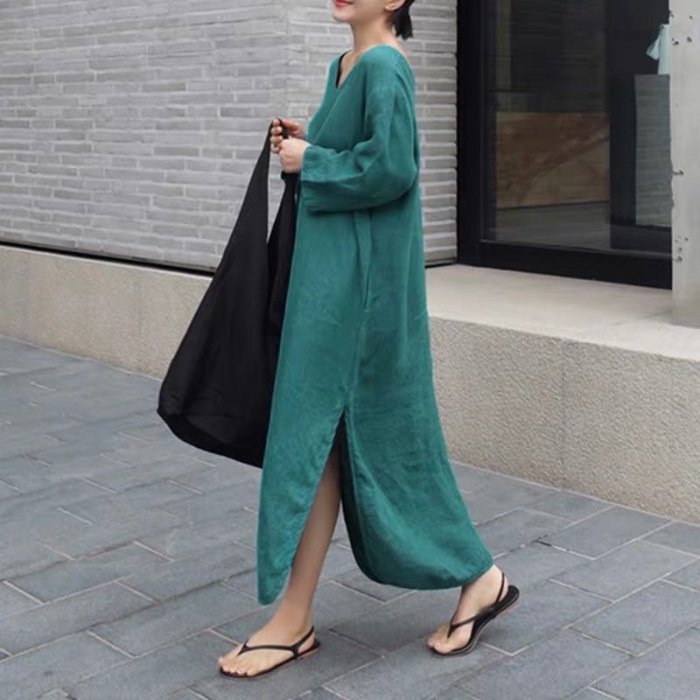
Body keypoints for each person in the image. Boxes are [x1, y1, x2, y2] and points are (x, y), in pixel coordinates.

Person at [218, 0, 519, 680]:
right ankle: (303, 615)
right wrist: (308, 141)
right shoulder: (345, 64)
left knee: (355, 438)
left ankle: (466, 578)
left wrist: (310, 162)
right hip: (334, 285)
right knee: (335, 442)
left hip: (358, 296)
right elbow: (356, 150)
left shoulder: (384, 64)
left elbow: (391, 169)